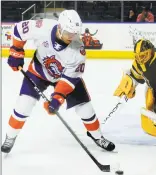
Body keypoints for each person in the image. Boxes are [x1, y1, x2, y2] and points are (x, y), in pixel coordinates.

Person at [1, 10, 115, 153]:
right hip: (38, 71)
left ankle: (98, 137)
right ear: (60, 28)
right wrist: (16, 50)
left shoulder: (78, 50)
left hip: (65, 78)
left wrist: (57, 98)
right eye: (68, 33)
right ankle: (10, 137)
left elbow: (69, 79)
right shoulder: (42, 26)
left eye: (75, 34)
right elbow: (18, 30)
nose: (71, 37)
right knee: (23, 105)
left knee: (85, 109)